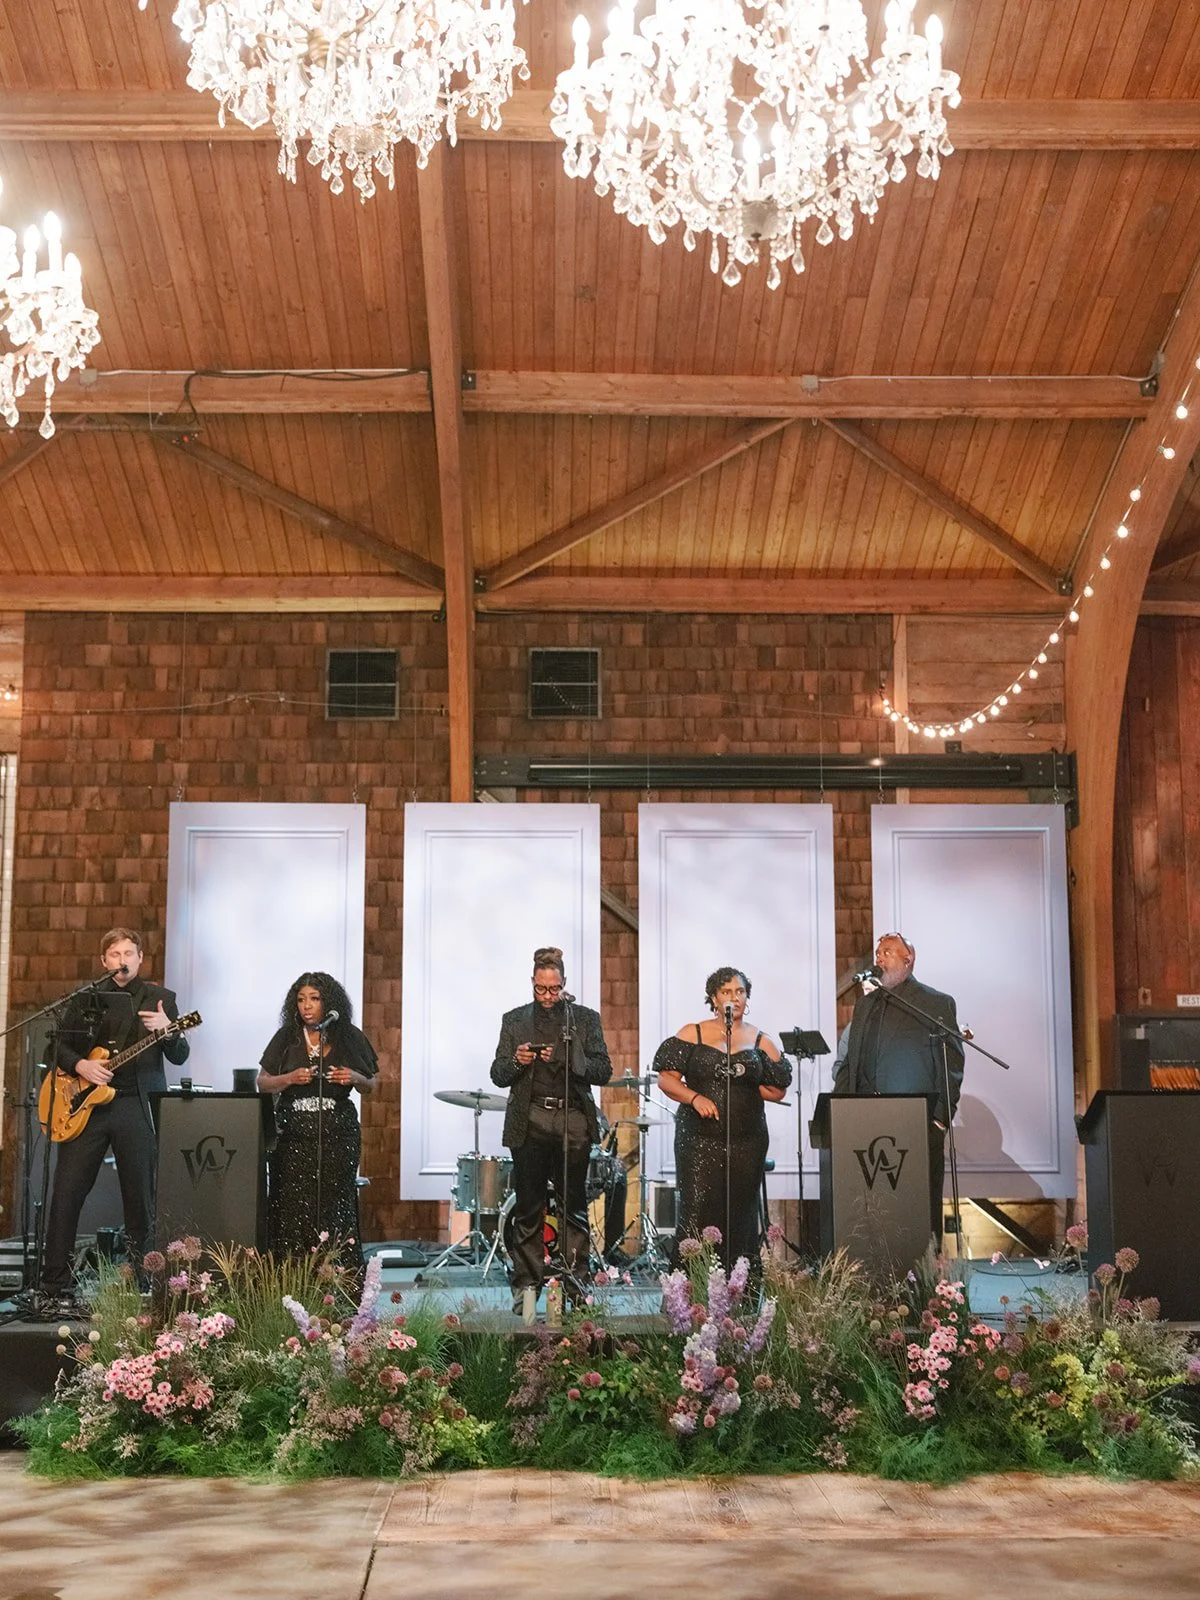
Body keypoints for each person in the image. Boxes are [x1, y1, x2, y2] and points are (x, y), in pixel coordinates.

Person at [41, 927, 191, 1310]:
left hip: (134, 1105)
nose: (122, 959)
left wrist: (168, 1031)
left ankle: (143, 1281)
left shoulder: (161, 999)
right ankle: (55, 1282)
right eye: (114, 954)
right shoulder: (87, 998)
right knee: (67, 1191)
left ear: (140, 958)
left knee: (139, 1196)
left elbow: (180, 1055)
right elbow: (57, 1044)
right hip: (86, 1106)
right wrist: (82, 1066)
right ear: (104, 961)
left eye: (129, 952)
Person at [490, 946, 613, 1313]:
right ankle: (527, 1289)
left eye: (553, 989)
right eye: (540, 989)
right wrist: (518, 1060)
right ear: (532, 982)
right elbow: (497, 1074)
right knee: (529, 1207)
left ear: (564, 984)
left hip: (572, 1120)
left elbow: (603, 1070)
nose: (547, 996)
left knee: (572, 1207)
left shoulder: (585, 1020)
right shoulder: (514, 1020)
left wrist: (570, 1057)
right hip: (529, 1120)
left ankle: (576, 1287)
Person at [654, 967, 791, 1270]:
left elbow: (777, 1089)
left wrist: (745, 1086)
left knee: (741, 1214)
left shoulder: (760, 1040)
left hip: (747, 1139)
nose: (734, 998)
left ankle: (740, 1287)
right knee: (697, 1210)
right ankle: (690, 1290)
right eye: (727, 992)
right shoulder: (694, 1032)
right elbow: (666, 1079)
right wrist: (695, 1097)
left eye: (740, 992)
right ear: (714, 998)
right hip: (699, 1139)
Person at [832, 931, 964, 1242]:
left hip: (916, 1123)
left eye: (888, 951)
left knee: (917, 1207)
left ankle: (926, 1279)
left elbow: (952, 1062)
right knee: (871, 1208)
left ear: (909, 959)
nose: (879, 957)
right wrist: (841, 1111)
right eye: (878, 952)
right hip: (866, 1124)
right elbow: (852, 1062)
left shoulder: (935, 1002)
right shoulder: (866, 1005)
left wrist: (941, 1116)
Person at [257, 973, 377, 1268]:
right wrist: (290, 1078)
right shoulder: (287, 1036)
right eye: (301, 1000)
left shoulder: (348, 1036)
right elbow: (263, 1082)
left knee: (336, 1205)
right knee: (291, 1204)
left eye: (314, 999)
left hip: (338, 1133)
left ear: (329, 1002)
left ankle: (338, 1278)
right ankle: (292, 1277)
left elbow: (370, 1085)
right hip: (292, 1133)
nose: (306, 1006)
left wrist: (354, 1076)